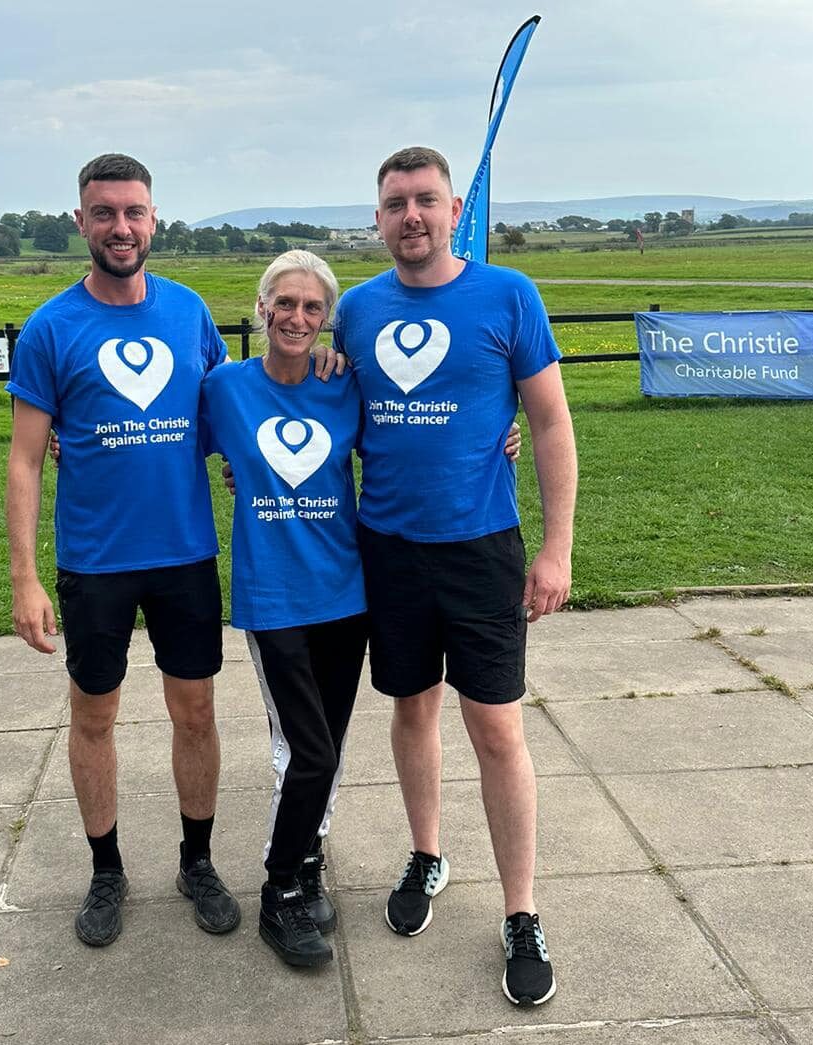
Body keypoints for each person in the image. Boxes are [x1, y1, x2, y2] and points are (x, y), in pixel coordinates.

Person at [333, 146, 577, 1006]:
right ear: (377, 216)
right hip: (388, 549)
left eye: (425, 200)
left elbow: (548, 420)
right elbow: (318, 408)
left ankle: (521, 910)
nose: (411, 216)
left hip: (482, 549)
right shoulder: (355, 311)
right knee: (411, 709)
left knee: (497, 729)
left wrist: (558, 548)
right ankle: (427, 854)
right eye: (395, 202)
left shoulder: (509, 294)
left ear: (454, 206)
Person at [5, 153, 244, 948]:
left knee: (196, 710)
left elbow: (229, 414)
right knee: (94, 714)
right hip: (95, 561)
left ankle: (197, 860)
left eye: (134, 211)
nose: (120, 227)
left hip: (183, 553)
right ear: (80, 220)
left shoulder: (189, 312)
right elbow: (24, 460)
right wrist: (25, 576)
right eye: (104, 213)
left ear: (155, 218)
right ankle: (106, 870)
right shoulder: (51, 329)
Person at [199, 250, 365, 967]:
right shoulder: (224, 389)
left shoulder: (345, 385)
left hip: (346, 592)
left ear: (324, 319)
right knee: (310, 751)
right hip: (274, 599)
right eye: (285, 303)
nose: (297, 317)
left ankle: (308, 859)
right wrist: (63, 437)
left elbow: (419, 439)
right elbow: (167, 445)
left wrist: (503, 438)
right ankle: (278, 892)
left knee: (328, 746)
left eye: (312, 307)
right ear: (261, 308)